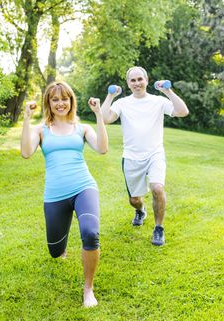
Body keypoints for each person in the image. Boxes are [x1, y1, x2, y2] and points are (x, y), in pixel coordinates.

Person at [21, 81, 108, 307]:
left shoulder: (82, 129)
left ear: (71, 101)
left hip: (83, 186)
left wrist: (99, 115)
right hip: (55, 194)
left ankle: (88, 289)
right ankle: (62, 243)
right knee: (55, 251)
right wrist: (27, 120)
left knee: (90, 233)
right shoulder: (41, 130)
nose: (61, 103)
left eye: (65, 98)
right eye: (55, 99)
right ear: (48, 103)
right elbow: (26, 153)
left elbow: (102, 148)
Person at [101, 66, 189, 246]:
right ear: (128, 83)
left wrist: (167, 90)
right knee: (134, 200)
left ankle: (159, 228)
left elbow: (182, 111)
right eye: (132, 80)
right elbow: (105, 119)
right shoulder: (122, 103)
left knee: (157, 188)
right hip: (131, 157)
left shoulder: (158, 101)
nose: (137, 83)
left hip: (154, 154)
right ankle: (140, 211)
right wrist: (110, 96)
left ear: (147, 81)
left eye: (140, 79)